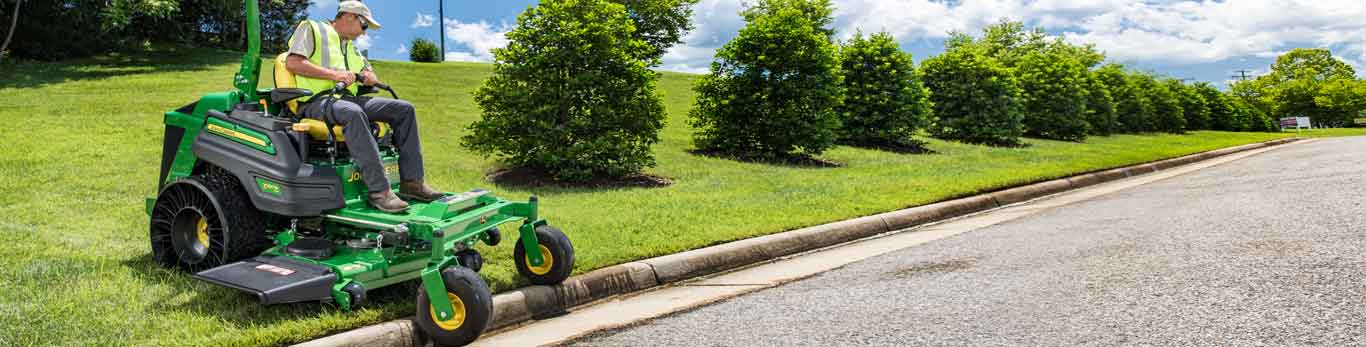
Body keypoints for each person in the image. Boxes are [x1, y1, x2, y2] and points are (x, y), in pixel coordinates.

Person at [284, 1, 442, 212]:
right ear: (349, 16)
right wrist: (335, 75)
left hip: (346, 99)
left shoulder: (351, 47)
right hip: (316, 101)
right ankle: (380, 192)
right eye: (364, 26)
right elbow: (293, 63)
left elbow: (370, 73)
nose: (364, 33)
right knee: (353, 113)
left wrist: (368, 77)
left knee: (404, 109)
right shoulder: (312, 28)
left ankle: (412, 183)